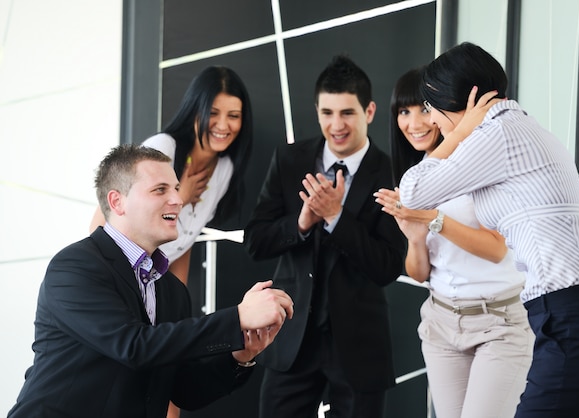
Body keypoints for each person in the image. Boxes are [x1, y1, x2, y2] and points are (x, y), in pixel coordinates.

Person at [398, 42, 579, 417]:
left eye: (431, 108)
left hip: (573, 321)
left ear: (459, 101)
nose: (433, 122)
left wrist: (458, 134)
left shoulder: (498, 134)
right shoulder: (518, 128)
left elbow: (413, 191)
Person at [8, 144, 293, 418]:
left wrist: (240, 355)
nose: (178, 200)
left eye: (176, 189)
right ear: (117, 202)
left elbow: (186, 392)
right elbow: (133, 346)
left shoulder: (172, 290)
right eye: (160, 190)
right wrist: (237, 319)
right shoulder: (75, 266)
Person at [243, 55, 405, 418]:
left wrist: (335, 216)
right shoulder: (289, 159)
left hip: (360, 346)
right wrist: (300, 223)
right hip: (291, 339)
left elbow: (388, 267)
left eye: (347, 112)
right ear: (317, 111)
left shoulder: (394, 171)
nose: (337, 125)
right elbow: (255, 241)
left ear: (370, 111)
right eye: (327, 113)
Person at [373, 67, 533, 418]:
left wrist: (432, 219)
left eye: (425, 109)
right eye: (404, 111)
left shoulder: (477, 160)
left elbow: (495, 249)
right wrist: (416, 239)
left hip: (499, 322)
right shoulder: (417, 176)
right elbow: (419, 274)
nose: (415, 122)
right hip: (441, 322)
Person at [90, 65, 252, 285]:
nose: (223, 125)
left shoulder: (225, 169)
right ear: (194, 109)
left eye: (233, 116)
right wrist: (180, 197)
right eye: (212, 113)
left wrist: (179, 302)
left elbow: (184, 241)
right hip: (118, 278)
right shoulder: (163, 148)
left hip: (154, 286)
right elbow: (101, 223)